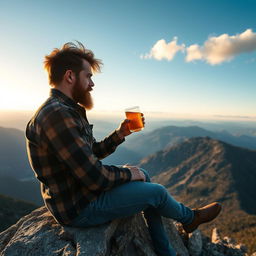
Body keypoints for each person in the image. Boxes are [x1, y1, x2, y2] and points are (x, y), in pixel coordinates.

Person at [25, 41, 221, 256]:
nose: (92, 84)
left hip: (80, 192)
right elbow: (94, 178)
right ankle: (190, 219)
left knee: (143, 175)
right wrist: (128, 173)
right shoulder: (57, 115)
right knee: (157, 192)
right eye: (88, 76)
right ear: (70, 76)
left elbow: (87, 155)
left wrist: (120, 134)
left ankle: (165, 249)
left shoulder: (64, 110)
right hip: (78, 207)